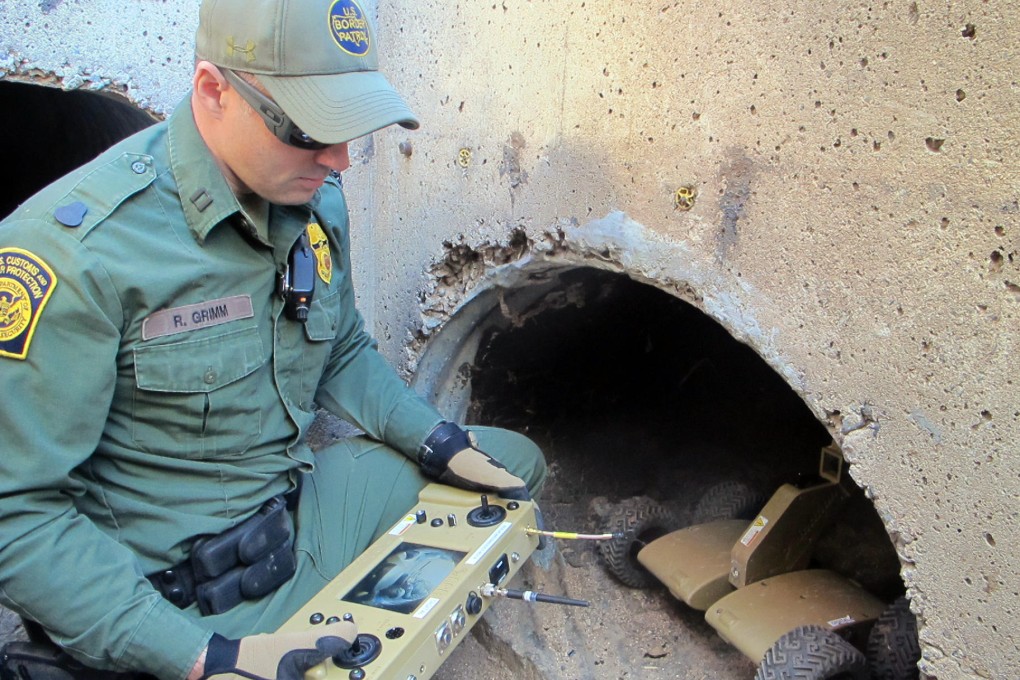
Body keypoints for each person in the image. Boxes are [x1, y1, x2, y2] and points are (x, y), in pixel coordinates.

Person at [0, 0, 546, 678]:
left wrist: (438, 442)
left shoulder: (313, 196)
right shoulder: (75, 253)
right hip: (187, 603)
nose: (341, 159)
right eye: (312, 128)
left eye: (351, 128)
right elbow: (15, 516)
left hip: (294, 519)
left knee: (508, 469)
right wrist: (203, 657)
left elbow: (341, 347)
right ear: (213, 91)